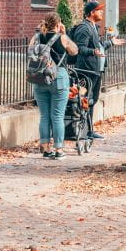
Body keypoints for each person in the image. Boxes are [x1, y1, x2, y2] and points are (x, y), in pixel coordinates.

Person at [71, 0, 126, 139]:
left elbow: (99, 45)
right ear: (91, 13)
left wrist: (111, 42)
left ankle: (89, 130)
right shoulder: (84, 28)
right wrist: (93, 52)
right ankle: (83, 131)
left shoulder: (93, 27)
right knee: (85, 99)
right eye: (99, 10)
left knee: (92, 100)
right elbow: (80, 48)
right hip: (86, 71)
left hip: (96, 70)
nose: (101, 12)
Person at [29, 12, 79, 159]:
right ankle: (58, 150)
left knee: (44, 116)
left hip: (39, 78)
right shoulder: (61, 37)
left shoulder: (36, 37)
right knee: (57, 116)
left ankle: (45, 148)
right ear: (58, 24)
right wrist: (63, 33)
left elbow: (31, 51)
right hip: (58, 78)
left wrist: (40, 31)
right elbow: (74, 51)